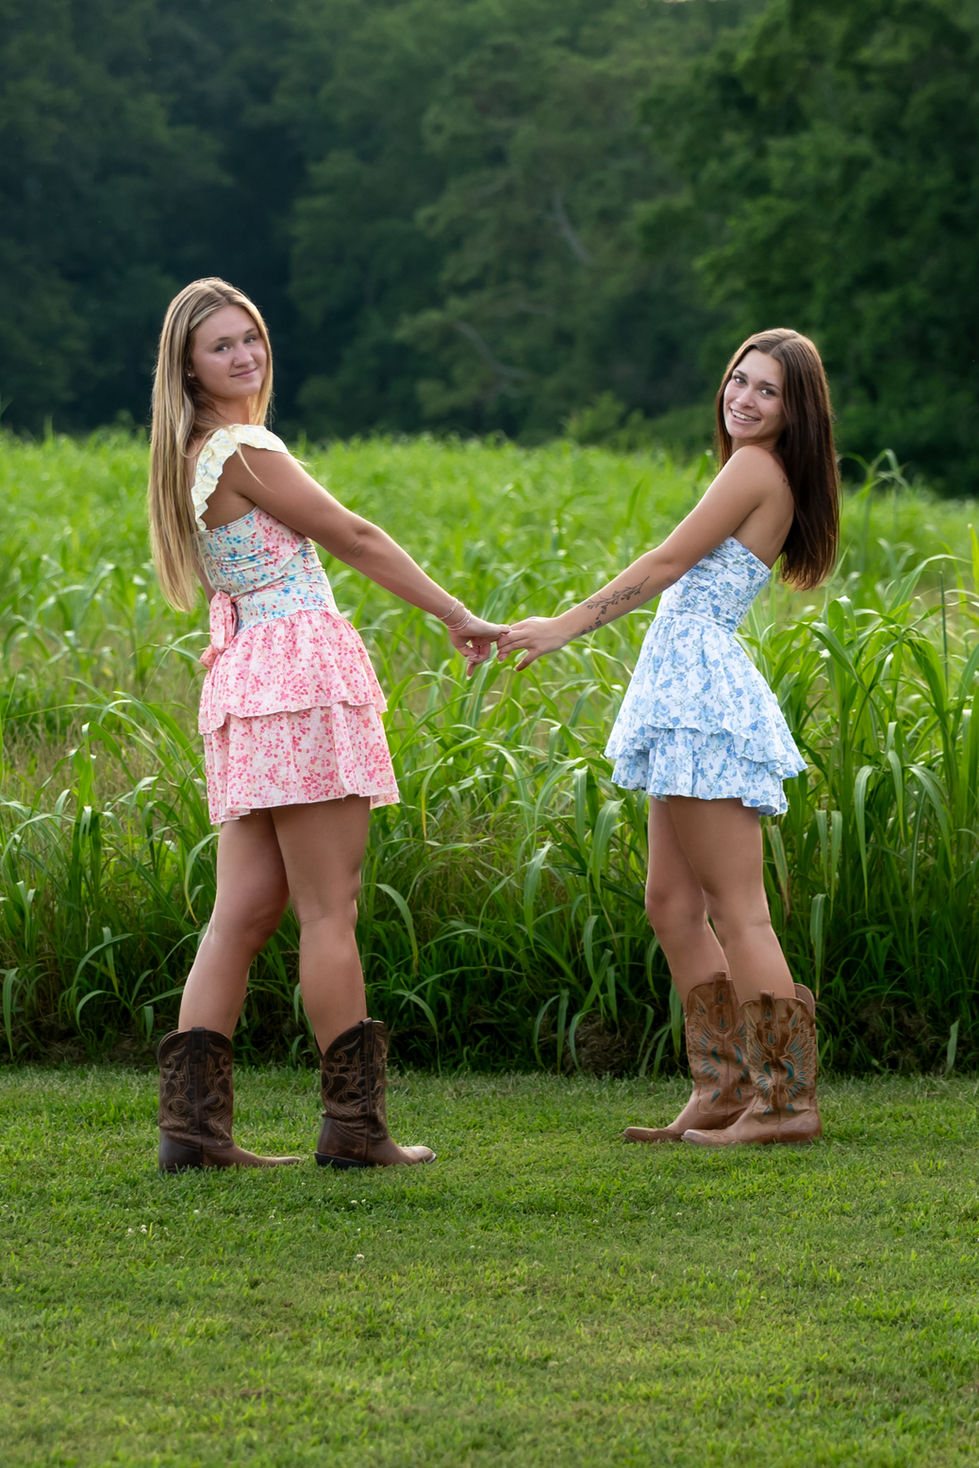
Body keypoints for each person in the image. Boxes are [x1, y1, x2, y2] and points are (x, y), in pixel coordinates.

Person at [147, 277, 505, 1172]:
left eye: (251, 338)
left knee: (244, 913)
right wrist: (456, 613)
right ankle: (354, 1127)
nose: (244, 355)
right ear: (188, 368)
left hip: (247, 676)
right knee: (327, 909)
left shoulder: (191, 451)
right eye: (222, 345)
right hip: (296, 674)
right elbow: (354, 536)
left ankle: (192, 1133)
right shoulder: (241, 445)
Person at [497, 328, 839, 1146]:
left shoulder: (756, 469)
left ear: (794, 412)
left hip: (699, 697)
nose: (743, 398)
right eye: (737, 380)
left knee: (735, 909)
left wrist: (560, 627)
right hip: (680, 692)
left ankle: (786, 1102)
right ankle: (722, 1087)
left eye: (766, 391)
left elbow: (662, 565)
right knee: (670, 903)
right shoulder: (748, 467)